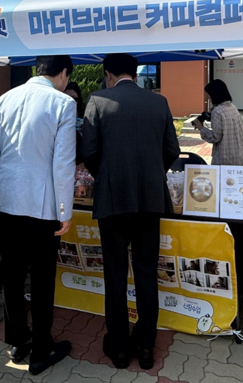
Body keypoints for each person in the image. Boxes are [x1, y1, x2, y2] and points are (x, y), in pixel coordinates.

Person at [81, 53, 180, 370]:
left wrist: (105, 176)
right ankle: (146, 346)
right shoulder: (159, 102)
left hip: (113, 200)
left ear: (108, 74)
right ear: (135, 74)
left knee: (115, 273)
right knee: (147, 271)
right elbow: (172, 150)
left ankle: (120, 348)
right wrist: (152, 174)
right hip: (150, 199)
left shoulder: (98, 100)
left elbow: (89, 151)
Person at [0, 55, 76, 375]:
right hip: (41, 205)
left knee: (11, 276)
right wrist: (65, 210)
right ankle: (41, 348)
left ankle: (18, 339)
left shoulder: (5, 99)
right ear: (63, 73)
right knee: (41, 279)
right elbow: (63, 163)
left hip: (5, 200)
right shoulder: (63, 103)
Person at [191, 79, 243, 166]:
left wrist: (201, 127)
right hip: (242, 156)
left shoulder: (217, 111)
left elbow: (215, 137)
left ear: (214, 94)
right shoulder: (232, 107)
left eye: (209, 94)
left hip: (226, 160)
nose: (208, 97)